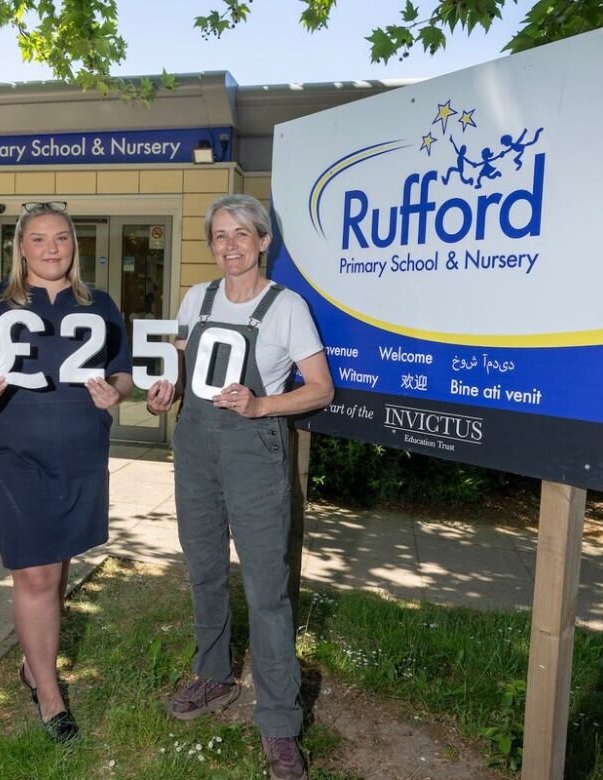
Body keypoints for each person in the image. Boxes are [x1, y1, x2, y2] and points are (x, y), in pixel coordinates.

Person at [146, 194, 333, 780]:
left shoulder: (287, 307)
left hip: (255, 451)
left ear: (262, 241)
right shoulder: (195, 300)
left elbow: (321, 389)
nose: (230, 246)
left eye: (241, 234)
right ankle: (214, 673)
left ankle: (279, 723)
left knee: (266, 588)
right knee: (202, 566)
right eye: (220, 236)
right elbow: (177, 369)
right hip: (196, 448)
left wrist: (261, 404)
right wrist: (164, 391)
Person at [0, 201, 133, 742]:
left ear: (75, 245)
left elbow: (121, 375)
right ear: (20, 247)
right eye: (39, 239)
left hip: (78, 449)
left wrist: (112, 395)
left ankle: (36, 662)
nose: (52, 249)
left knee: (59, 563)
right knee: (34, 572)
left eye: (62, 239)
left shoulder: (99, 304)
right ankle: (49, 696)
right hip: (11, 450)